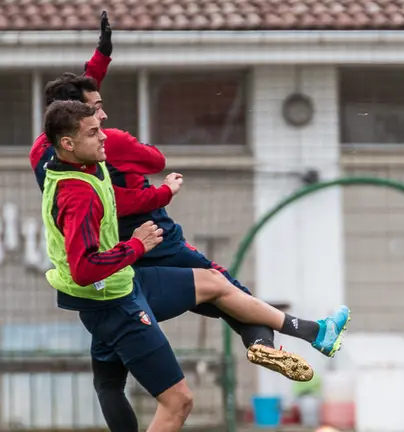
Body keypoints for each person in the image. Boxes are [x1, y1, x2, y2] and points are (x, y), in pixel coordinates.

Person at [30, 12, 325, 431]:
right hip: (120, 282)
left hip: (114, 283)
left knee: (115, 381)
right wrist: (159, 201)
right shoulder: (84, 184)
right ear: (70, 137)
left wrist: (101, 59)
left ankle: (305, 332)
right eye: (95, 123)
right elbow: (97, 241)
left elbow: (76, 100)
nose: (105, 127)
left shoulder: (54, 156)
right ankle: (288, 335)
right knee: (185, 384)